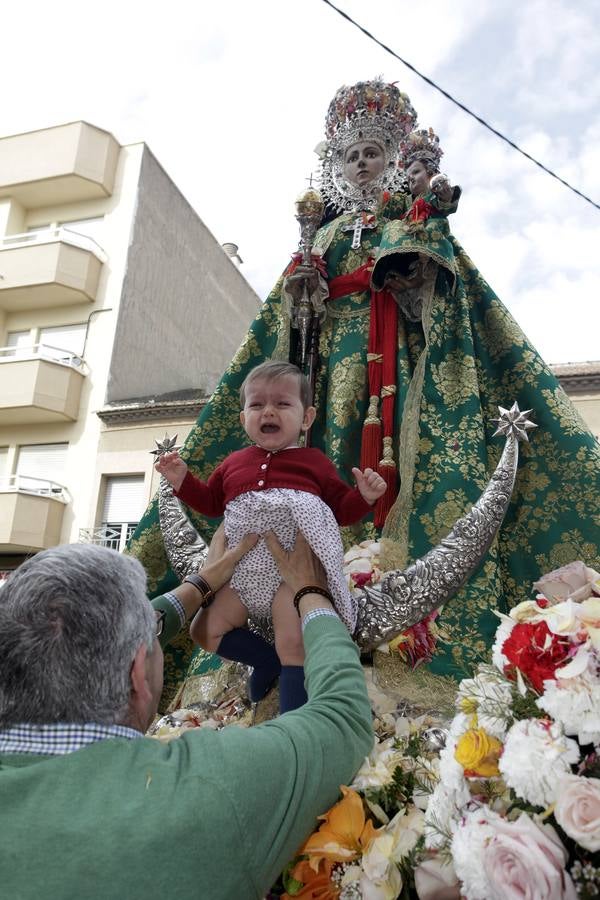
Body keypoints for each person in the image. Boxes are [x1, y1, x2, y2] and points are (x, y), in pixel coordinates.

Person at [129, 78, 600, 704]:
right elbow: (285, 324)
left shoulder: (406, 216)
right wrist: (303, 293)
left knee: (363, 473)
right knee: (310, 458)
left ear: (392, 157)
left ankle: (363, 583)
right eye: (350, 155)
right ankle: (275, 626)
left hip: (393, 369)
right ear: (336, 164)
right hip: (322, 370)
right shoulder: (321, 233)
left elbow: (435, 283)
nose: (360, 163)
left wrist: (419, 238)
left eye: (373, 152)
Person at [0, 533, 373, 900]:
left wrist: (202, 582)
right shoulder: (208, 787)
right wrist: (311, 592)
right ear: (136, 676)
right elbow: (342, 716)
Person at [155, 360, 386, 712]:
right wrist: (182, 480)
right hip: (243, 570)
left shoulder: (315, 462)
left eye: (282, 403)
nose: (269, 411)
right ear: (243, 418)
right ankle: (266, 661)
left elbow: (341, 509)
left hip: (291, 575)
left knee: (293, 642)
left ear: (306, 418)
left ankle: (291, 723)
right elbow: (212, 503)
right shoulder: (233, 463)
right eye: (257, 404)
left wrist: (365, 497)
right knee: (204, 629)